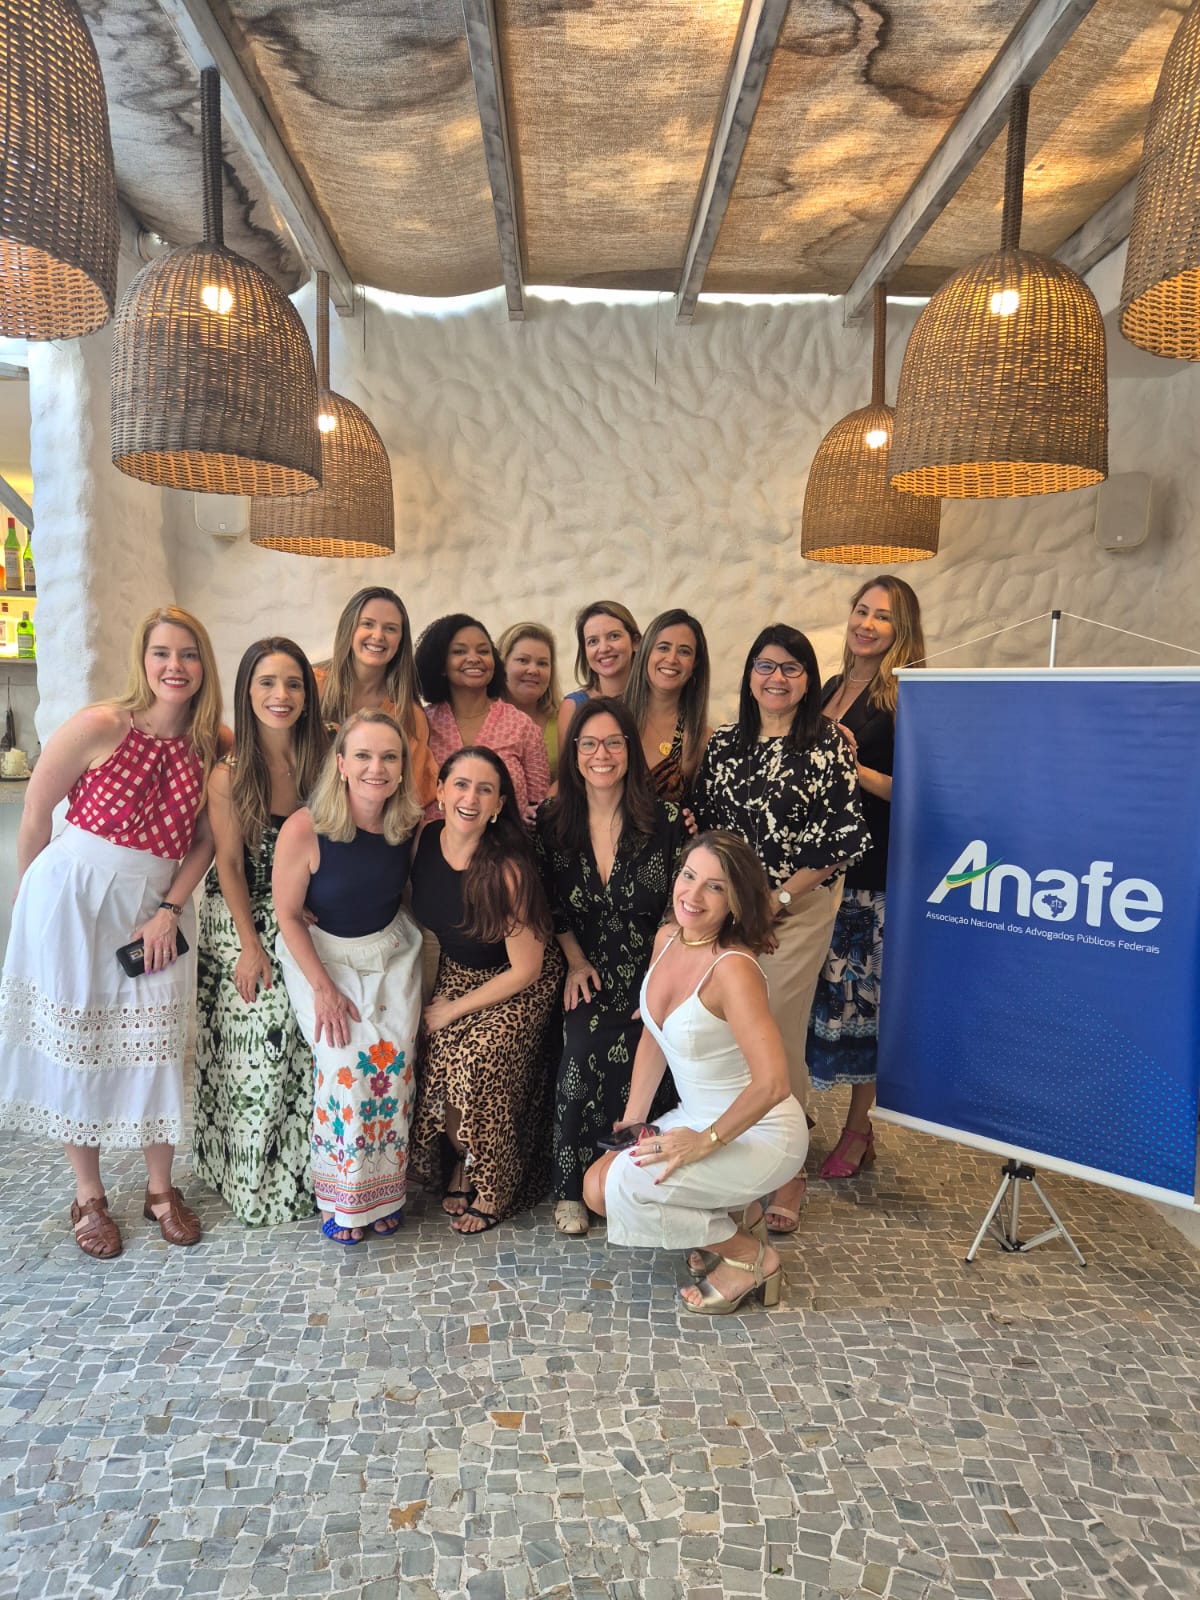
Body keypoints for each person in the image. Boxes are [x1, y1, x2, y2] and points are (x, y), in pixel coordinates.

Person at [0, 606, 222, 1257]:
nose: (175, 666)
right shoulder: (102, 724)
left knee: (157, 1045)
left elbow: (206, 839)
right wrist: (29, 903)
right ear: (142, 660)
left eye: (188, 653)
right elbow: (37, 810)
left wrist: (170, 908)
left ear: (204, 664)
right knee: (80, 1041)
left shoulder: (212, 741)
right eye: (162, 653)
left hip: (154, 908)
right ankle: (89, 1196)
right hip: (72, 897)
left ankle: (160, 1191)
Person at [583, 832, 807, 1315]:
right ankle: (739, 1215)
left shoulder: (734, 969)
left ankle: (752, 1258)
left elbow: (774, 1083)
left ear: (735, 901)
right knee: (598, 1187)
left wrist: (703, 1142)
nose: (693, 894)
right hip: (696, 1115)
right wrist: (634, 1119)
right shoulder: (667, 938)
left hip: (759, 1130)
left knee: (624, 1189)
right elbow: (655, 1034)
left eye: (715, 887)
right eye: (689, 876)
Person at [691, 625, 869, 1235]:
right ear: (749, 676)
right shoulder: (724, 744)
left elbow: (842, 841)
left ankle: (788, 1168)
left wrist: (779, 899)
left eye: (791, 668)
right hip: (732, 909)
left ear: (808, 680)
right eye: (765, 666)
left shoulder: (828, 744)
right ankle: (740, 1148)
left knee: (774, 1029)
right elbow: (708, 829)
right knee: (729, 1030)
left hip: (798, 908)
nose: (777, 678)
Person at [536, 697, 686, 1236]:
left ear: (630, 750)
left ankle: (639, 1177)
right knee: (581, 1048)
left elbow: (679, 908)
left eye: (614, 743)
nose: (602, 754)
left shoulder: (666, 821)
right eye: (589, 743)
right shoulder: (553, 822)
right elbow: (550, 904)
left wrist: (660, 979)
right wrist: (575, 961)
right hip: (589, 966)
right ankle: (571, 1186)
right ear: (574, 752)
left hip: (655, 967)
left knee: (654, 1047)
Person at [273, 711, 423, 1245]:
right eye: (362, 755)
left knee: (392, 1065)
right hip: (321, 955)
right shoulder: (305, 828)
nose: (375, 768)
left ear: (402, 769)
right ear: (340, 764)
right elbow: (288, 914)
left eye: (388, 757)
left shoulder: (408, 826)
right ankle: (341, 1197)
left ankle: (385, 1193)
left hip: (390, 950)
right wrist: (324, 990)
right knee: (345, 1068)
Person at [193, 637, 329, 1225]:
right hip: (241, 914)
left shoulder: (324, 757)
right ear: (247, 691)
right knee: (263, 1033)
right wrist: (251, 946)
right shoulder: (229, 775)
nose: (282, 695)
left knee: (312, 1037)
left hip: (302, 910)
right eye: (267, 683)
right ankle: (249, 1178)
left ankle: (311, 1173)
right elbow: (227, 864)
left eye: (294, 683)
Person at [409, 747, 565, 1234]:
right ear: (440, 791)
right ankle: (463, 1161)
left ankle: (495, 1186)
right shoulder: (425, 839)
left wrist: (454, 1010)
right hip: (460, 969)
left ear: (499, 805)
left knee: (476, 1060)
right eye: (461, 784)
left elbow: (526, 969)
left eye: (485, 790)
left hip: (519, 980)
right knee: (437, 1056)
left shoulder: (507, 869)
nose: (470, 798)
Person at [808, 576, 925, 1177]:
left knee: (860, 1008)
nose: (867, 624)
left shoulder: (908, 697)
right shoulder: (829, 687)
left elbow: (922, 793)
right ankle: (792, 1114)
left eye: (883, 616)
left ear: (902, 630)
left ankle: (858, 1129)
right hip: (814, 872)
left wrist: (854, 768)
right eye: (861, 610)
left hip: (869, 876)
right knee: (810, 1001)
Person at [416, 614, 549, 822]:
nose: (474, 658)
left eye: (483, 651)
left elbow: (539, 804)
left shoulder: (522, 726)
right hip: (434, 840)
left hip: (507, 842)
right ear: (440, 664)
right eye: (459, 651)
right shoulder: (421, 723)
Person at [315, 586, 438, 807]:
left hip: (376, 823)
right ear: (348, 628)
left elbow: (411, 795)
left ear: (401, 640)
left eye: (390, 628)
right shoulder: (311, 685)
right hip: (304, 814)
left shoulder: (408, 716)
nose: (378, 636)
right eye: (367, 624)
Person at [623, 608, 711, 802]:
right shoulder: (611, 717)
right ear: (646, 653)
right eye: (663, 648)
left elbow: (702, 813)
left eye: (684, 651)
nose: (672, 659)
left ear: (695, 664)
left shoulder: (702, 738)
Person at [555, 600, 641, 755]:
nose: (604, 648)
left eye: (614, 636)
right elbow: (567, 768)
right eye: (593, 641)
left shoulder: (657, 700)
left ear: (636, 642)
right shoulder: (572, 707)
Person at [497, 621, 562, 783]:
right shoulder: (483, 717)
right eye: (523, 660)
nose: (533, 670)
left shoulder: (565, 717)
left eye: (542, 663)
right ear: (502, 665)